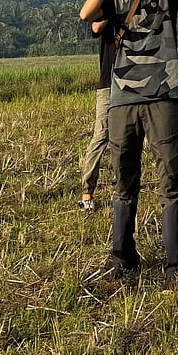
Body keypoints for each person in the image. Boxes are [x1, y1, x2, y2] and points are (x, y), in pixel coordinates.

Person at [79, 0, 178, 289]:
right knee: (123, 181)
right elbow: (87, 12)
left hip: (163, 95)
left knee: (172, 182)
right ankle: (122, 260)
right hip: (122, 99)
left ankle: (176, 266)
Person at [78, 18, 118, 211]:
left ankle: (121, 188)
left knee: (125, 138)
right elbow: (95, 27)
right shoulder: (108, 4)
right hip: (108, 85)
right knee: (101, 136)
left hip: (134, 85)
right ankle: (87, 193)